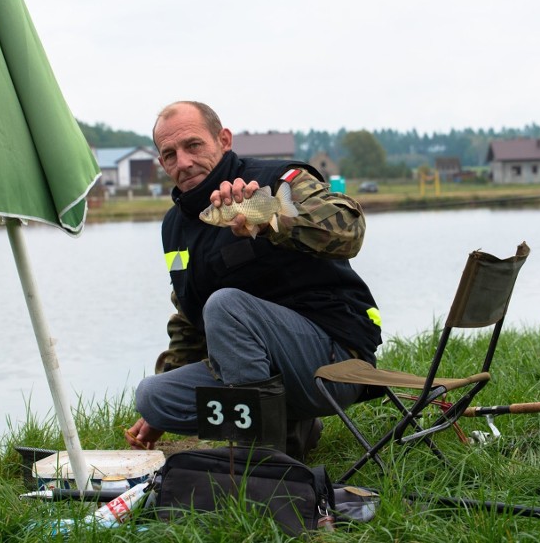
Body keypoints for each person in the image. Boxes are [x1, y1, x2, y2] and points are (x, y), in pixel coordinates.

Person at [125, 101, 382, 461]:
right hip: (255, 369)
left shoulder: (276, 181)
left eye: (193, 145)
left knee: (226, 305)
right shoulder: (175, 226)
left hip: (336, 359)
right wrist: (158, 418)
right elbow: (188, 312)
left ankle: (262, 459)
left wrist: (271, 223)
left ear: (224, 140)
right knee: (152, 397)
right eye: (170, 154)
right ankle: (293, 426)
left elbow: (351, 231)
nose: (183, 162)